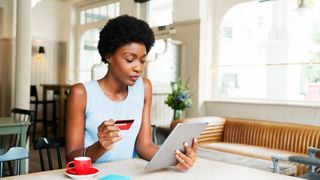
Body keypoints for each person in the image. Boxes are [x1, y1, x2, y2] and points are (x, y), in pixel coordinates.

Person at [65, 15, 197, 171]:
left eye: (142, 60)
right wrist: (100, 146)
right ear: (109, 56)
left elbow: (144, 145)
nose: (138, 68)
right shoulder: (81, 93)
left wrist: (177, 158)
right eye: (129, 59)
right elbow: (72, 157)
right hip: (93, 175)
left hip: (129, 173)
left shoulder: (144, 87)